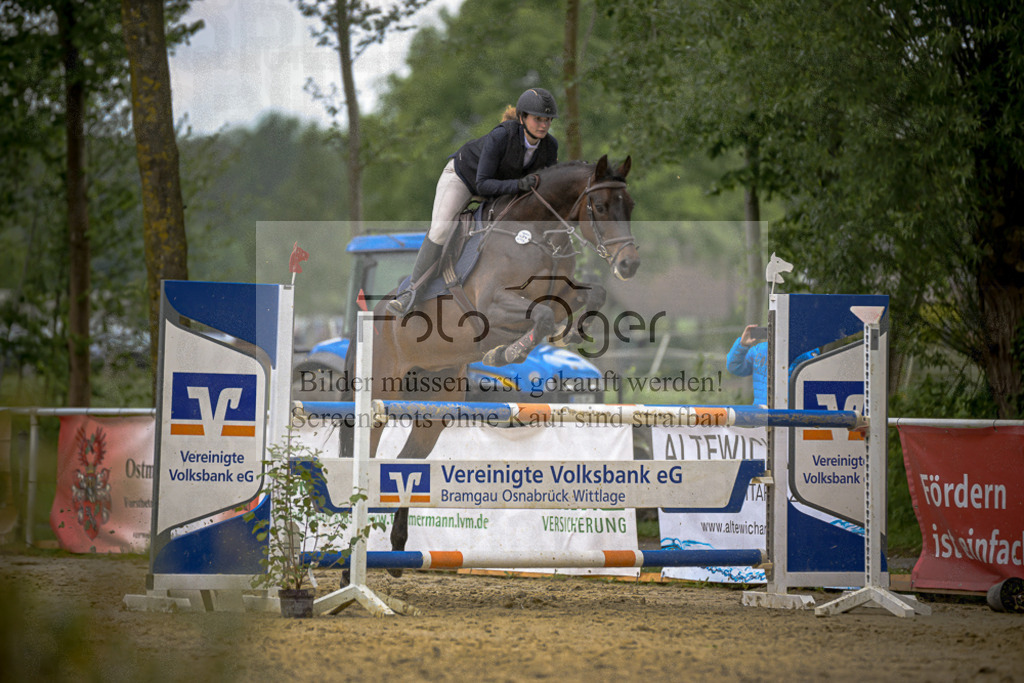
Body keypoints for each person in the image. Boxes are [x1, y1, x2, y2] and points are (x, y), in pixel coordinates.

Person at [387, 87, 560, 316]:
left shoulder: (550, 146)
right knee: (441, 229)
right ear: (522, 118)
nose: (544, 125)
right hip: (464, 179)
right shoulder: (502, 136)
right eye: (538, 119)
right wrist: (517, 186)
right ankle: (412, 291)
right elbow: (482, 184)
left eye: (547, 120)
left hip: (500, 189)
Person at [727, 323, 817, 407]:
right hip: (762, 414)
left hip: (793, 413)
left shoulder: (807, 353)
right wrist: (742, 345)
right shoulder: (759, 350)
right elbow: (735, 367)